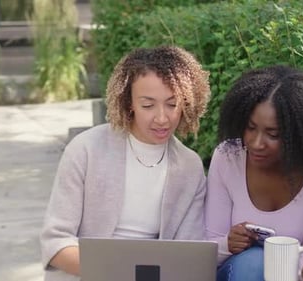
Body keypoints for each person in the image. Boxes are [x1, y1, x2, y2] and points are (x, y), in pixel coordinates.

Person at [40, 46, 211, 281]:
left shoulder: (189, 167)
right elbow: (56, 243)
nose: (162, 118)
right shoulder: (86, 149)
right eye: (148, 105)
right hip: (88, 274)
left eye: (172, 104)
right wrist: (116, 273)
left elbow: (188, 252)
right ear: (128, 102)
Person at [205, 65, 303, 281]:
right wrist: (228, 244)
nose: (256, 143)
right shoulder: (228, 156)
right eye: (250, 128)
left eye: (273, 134)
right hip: (242, 273)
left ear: (300, 136)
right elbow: (207, 251)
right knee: (252, 263)